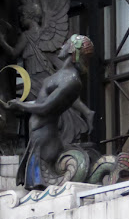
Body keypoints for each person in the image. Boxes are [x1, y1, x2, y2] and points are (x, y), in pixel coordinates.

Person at [5, 34, 94, 190]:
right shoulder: (62, 75)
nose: (61, 46)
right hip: (38, 137)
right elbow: (41, 103)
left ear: (72, 49)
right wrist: (19, 105)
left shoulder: (71, 80)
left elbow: (45, 108)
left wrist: (20, 106)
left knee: (39, 189)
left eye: (66, 43)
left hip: (45, 140)